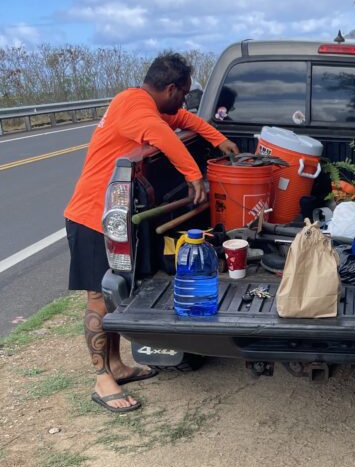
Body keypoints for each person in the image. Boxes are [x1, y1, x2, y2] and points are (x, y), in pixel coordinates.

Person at [64, 52, 239, 414]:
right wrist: (193, 175)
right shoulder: (132, 104)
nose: (185, 101)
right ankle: (102, 380)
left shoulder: (153, 105)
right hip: (93, 217)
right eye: (184, 93)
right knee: (98, 297)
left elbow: (185, 118)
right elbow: (160, 132)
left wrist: (218, 139)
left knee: (115, 295)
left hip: (117, 218)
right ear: (171, 88)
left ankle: (117, 365)